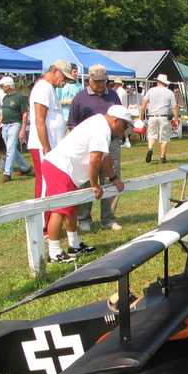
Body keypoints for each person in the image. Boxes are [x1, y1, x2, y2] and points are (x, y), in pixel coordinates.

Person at [42, 105, 129, 263]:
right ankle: (54, 252)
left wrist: (114, 178)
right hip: (59, 167)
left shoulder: (102, 125)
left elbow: (105, 158)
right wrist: (94, 185)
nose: (124, 131)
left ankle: (74, 245)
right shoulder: (101, 129)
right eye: (125, 126)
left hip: (65, 170)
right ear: (116, 121)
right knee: (60, 210)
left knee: (71, 208)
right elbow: (95, 159)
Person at [68, 64, 123, 232]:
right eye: (96, 81)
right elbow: (72, 124)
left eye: (102, 81)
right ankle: (84, 218)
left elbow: (120, 117)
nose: (99, 85)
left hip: (111, 143)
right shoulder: (80, 98)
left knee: (111, 178)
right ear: (89, 80)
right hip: (88, 147)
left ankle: (108, 218)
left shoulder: (113, 95)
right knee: (86, 180)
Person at [27, 59, 74, 200]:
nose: (65, 81)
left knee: (51, 183)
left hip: (51, 146)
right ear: (54, 71)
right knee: (44, 184)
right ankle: (42, 220)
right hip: (43, 146)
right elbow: (39, 120)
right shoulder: (42, 88)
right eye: (64, 77)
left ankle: (49, 219)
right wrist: (46, 148)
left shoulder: (49, 89)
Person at [0, 76, 31, 181]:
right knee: (12, 149)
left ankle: (7, 173)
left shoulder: (20, 97)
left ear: (8, 86)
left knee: (10, 149)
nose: (1, 87)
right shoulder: (5, 98)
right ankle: (25, 168)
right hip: (5, 125)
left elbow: (25, 114)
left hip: (15, 124)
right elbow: (3, 113)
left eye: (2, 85)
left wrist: (23, 129)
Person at [141, 73, 178, 163]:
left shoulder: (151, 90)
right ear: (165, 83)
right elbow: (175, 106)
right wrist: (176, 118)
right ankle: (162, 157)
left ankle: (150, 149)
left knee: (151, 135)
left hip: (152, 116)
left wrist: (141, 116)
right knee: (164, 138)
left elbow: (144, 104)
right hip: (164, 117)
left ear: (158, 81)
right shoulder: (169, 92)